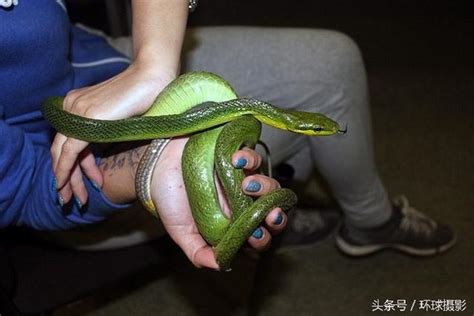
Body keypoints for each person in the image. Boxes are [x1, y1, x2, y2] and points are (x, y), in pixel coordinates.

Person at [0, 0, 454, 270]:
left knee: (333, 61)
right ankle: (277, 202)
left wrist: (153, 63)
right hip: (68, 176)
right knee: (256, 157)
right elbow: (25, 191)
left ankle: (366, 220)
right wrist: (154, 161)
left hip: (104, 58)